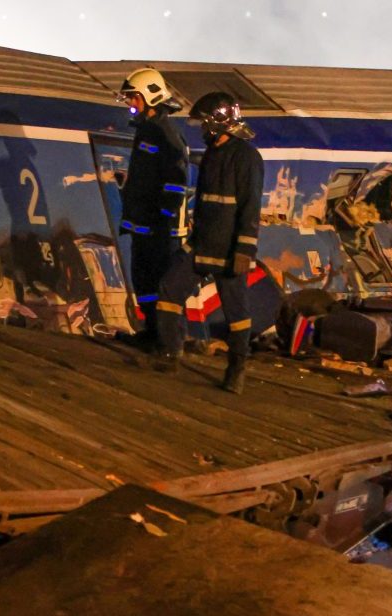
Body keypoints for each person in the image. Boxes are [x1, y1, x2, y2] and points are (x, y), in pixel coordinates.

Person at [154, 91, 263, 394]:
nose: (202, 129)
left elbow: (251, 207)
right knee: (169, 288)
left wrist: (245, 249)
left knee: (236, 313)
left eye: (204, 123)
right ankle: (169, 353)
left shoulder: (247, 157)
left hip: (229, 251)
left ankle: (236, 370)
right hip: (201, 245)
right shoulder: (213, 154)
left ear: (218, 122)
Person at [117, 68, 188, 347]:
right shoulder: (147, 131)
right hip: (143, 226)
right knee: (143, 280)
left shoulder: (165, 134)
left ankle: (168, 341)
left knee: (161, 284)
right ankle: (150, 331)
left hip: (159, 229)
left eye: (134, 98)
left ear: (150, 97)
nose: (130, 104)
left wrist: (163, 216)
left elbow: (176, 181)